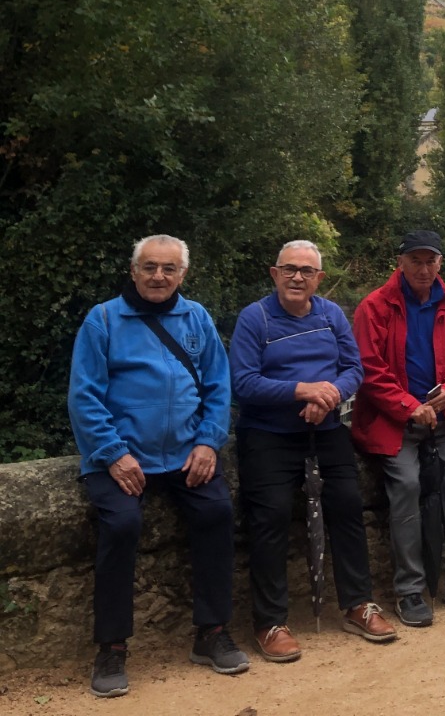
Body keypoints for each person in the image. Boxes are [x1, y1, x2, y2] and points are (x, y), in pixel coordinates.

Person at [69, 235, 246, 698]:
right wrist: (112, 453)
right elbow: (84, 396)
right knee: (121, 524)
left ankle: (211, 632)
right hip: (120, 455)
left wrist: (208, 442)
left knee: (216, 512)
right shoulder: (103, 319)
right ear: (133, 271)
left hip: (186, 451)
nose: (158, 276)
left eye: (169, 268)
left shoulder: (197, 317)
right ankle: (111, 647)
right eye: (149, 267)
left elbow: (218, 386)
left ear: (182, 275)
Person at [230, 240, 395, 664]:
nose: (297, 277)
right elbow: (242, 382)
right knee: (270, 514)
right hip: (268, 433)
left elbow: (353, 368)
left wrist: (330, 395)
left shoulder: (331, 314)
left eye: (306, 271)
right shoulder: (255, 318)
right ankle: (270, 623)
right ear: (274, 274)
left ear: (319, 278)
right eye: (289, 269)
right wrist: (301, 390)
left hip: (325, 427)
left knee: (347, 504)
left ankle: (358, 604)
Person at [352, 231, 445, 626]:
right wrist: (409, 407)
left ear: (440, 263)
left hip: (443, 415)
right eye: (416, 261)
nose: (424, 269)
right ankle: (409, 588)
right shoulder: (374, 307)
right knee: (406, 485)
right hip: (393, 419)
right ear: (401, 263)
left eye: (431, 261)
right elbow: (369, 371)